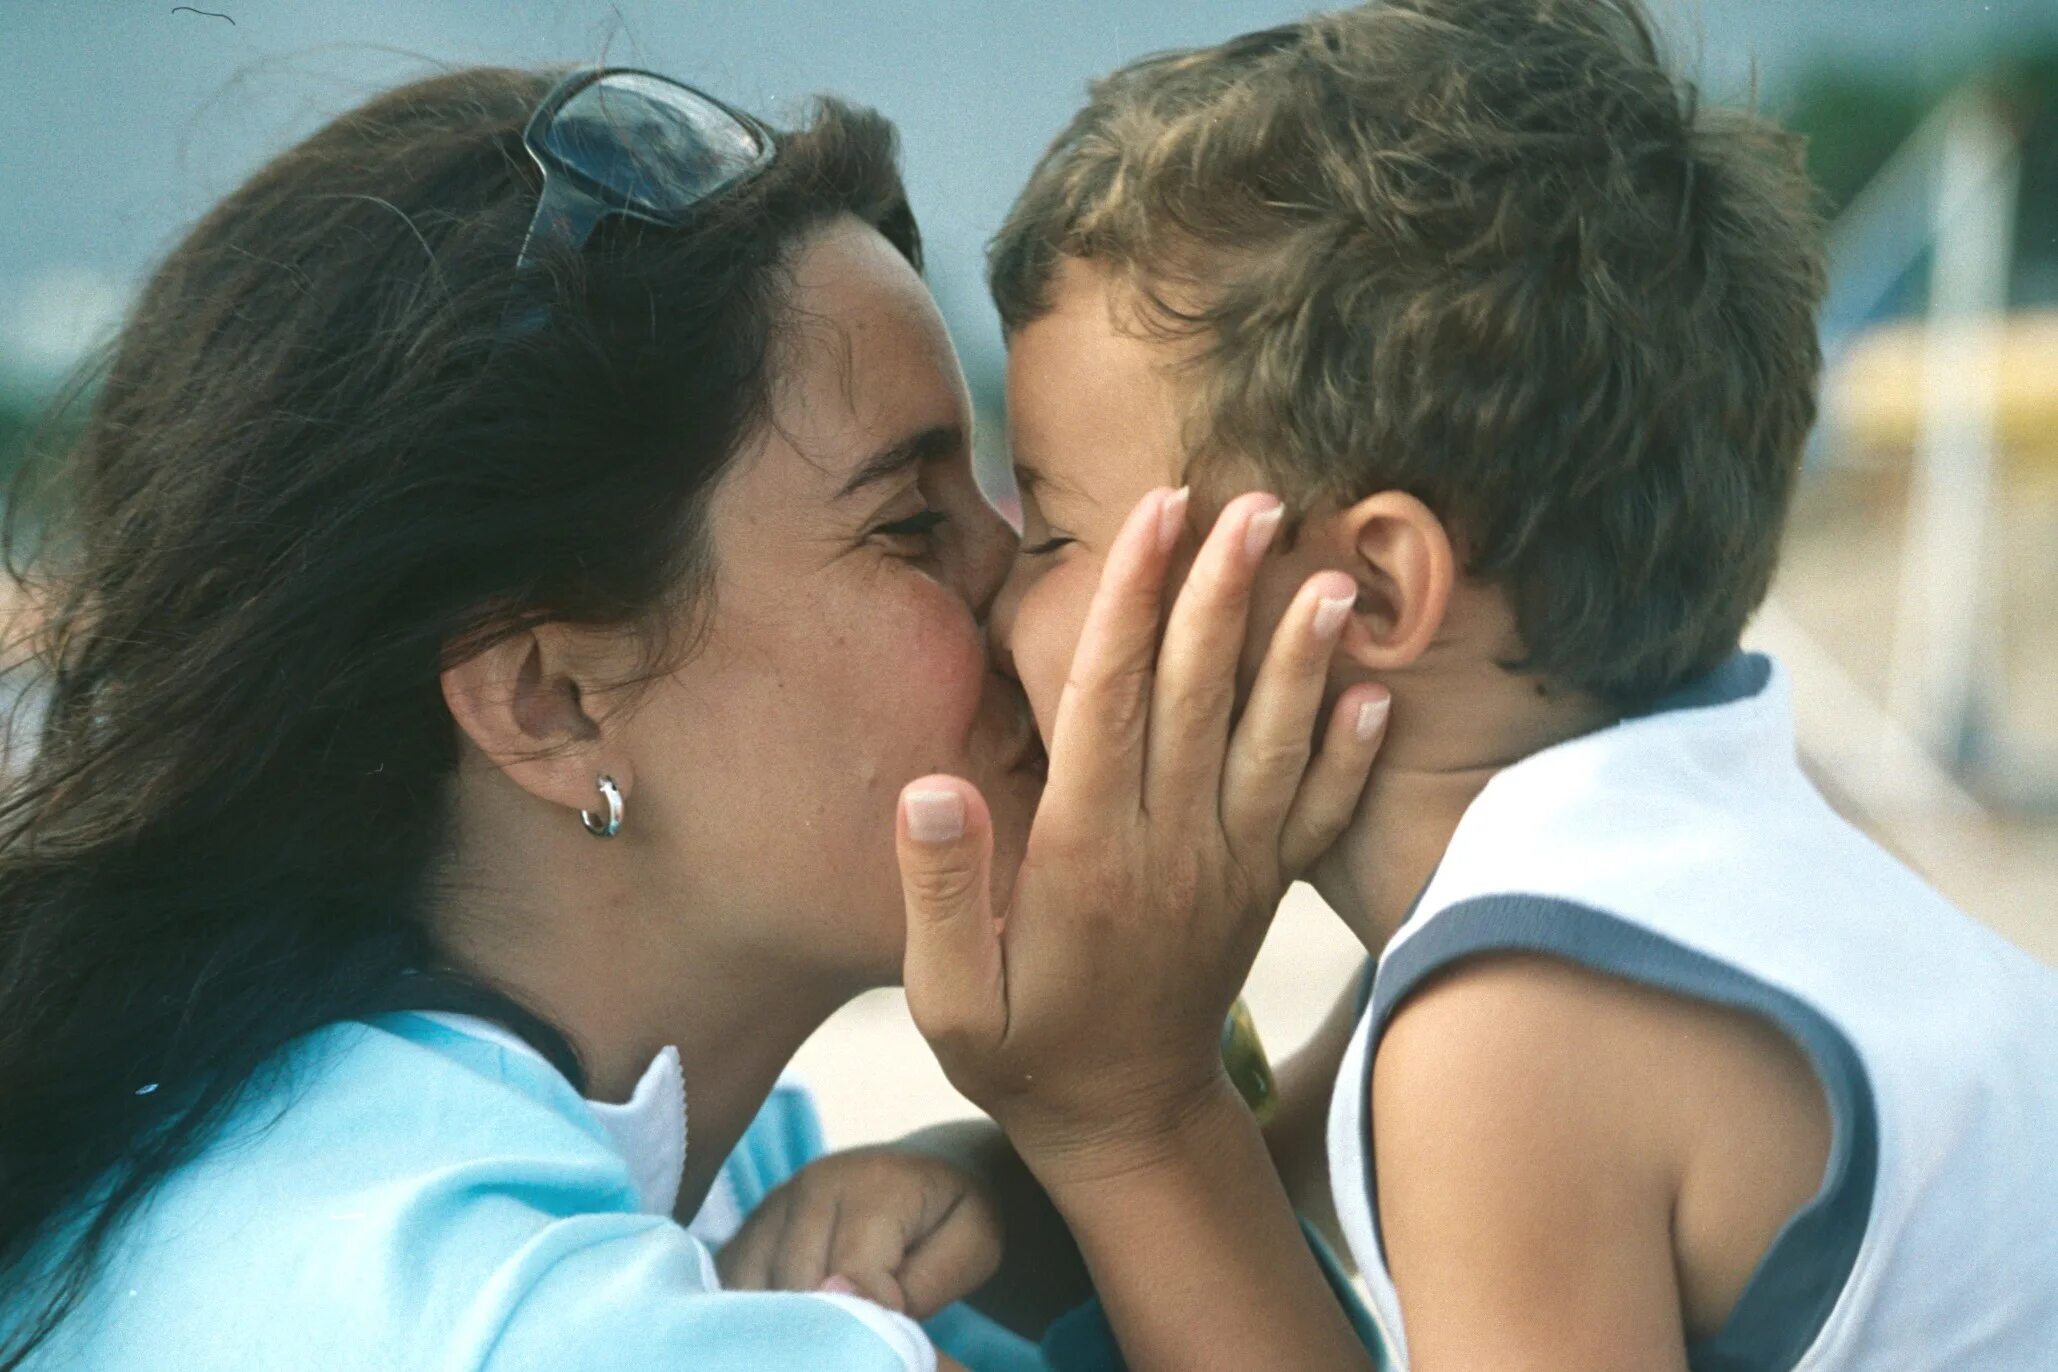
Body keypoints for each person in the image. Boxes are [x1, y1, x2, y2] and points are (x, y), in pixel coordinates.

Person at [0, 64, 1382, 1370]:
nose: (1028, 605)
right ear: (551, 700)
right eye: (911, 526)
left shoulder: (305, 1159)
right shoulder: (552, 1326)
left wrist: (1037, 1174)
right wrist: (1130, 1121)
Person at [761, 1, 2058, 1368]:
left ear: (1366, 595)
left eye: (1055, 530)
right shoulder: (1692, 861)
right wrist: (1005, 1182)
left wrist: (1122, 1119)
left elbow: (1203, 1176)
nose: (1001, 592)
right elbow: (1271, 1187)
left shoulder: (1515, 1030)